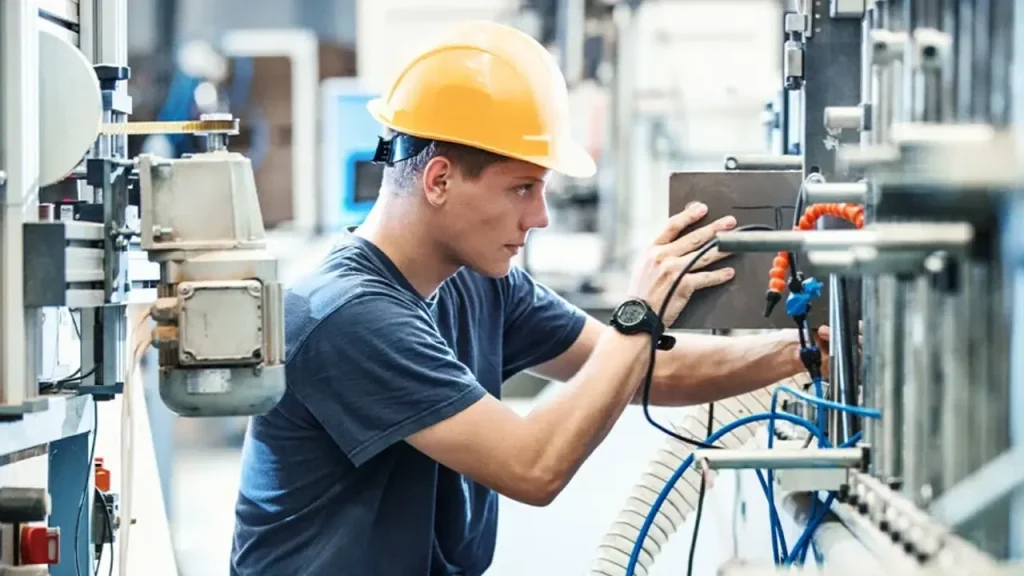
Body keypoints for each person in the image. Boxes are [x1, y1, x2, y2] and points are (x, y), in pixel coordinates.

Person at [230, 21, 832, 576]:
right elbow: (533, 465)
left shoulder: (477, 279)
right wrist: (639, 314)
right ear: (438, 180)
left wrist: (805, 352)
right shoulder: (348, 314)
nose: (539, 216)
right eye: (522, 187)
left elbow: (645, 370)